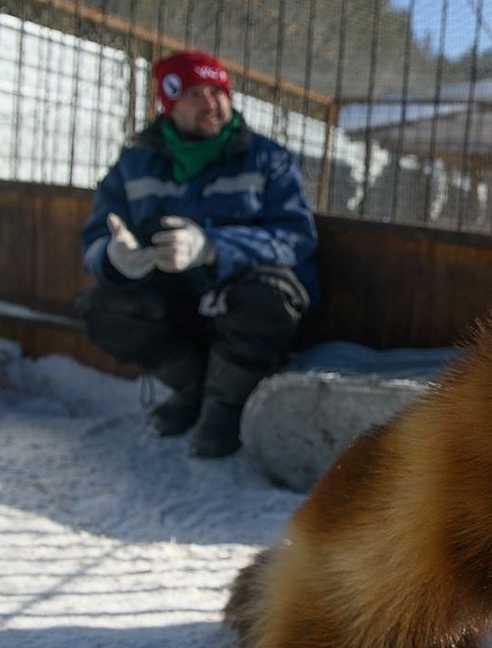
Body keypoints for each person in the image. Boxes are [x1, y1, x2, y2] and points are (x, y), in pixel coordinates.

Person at [77, 50, 319, 459]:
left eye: (217, 91)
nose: (211, 103)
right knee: (102, 305)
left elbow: (296, 237)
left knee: (272, 298)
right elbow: (97, 235)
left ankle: (223, 407)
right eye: (194, 94)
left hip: (238, 299)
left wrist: (212, 248)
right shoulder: (134, 164)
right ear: (169, 104)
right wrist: (113, 257)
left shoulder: (268, 159)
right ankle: (191, 391)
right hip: (171, 301)